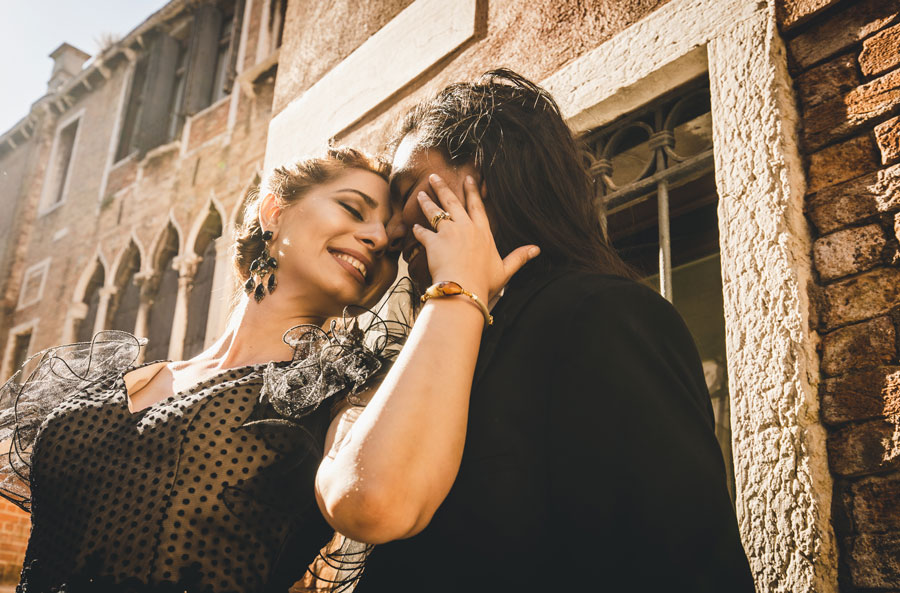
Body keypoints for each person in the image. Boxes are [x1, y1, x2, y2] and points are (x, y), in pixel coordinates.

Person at [317, 70, 756, 592]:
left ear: (490, 173)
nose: (389, 233)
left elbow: (687, 563)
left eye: (409, 190)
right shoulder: (450, 337)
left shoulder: (605, 314)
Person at [0, 147, 412, 593]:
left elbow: (376, 501)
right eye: (352, 208)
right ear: (274, 211)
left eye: (392, 246)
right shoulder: (126, 378)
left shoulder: (346, 399)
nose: (374, 237)